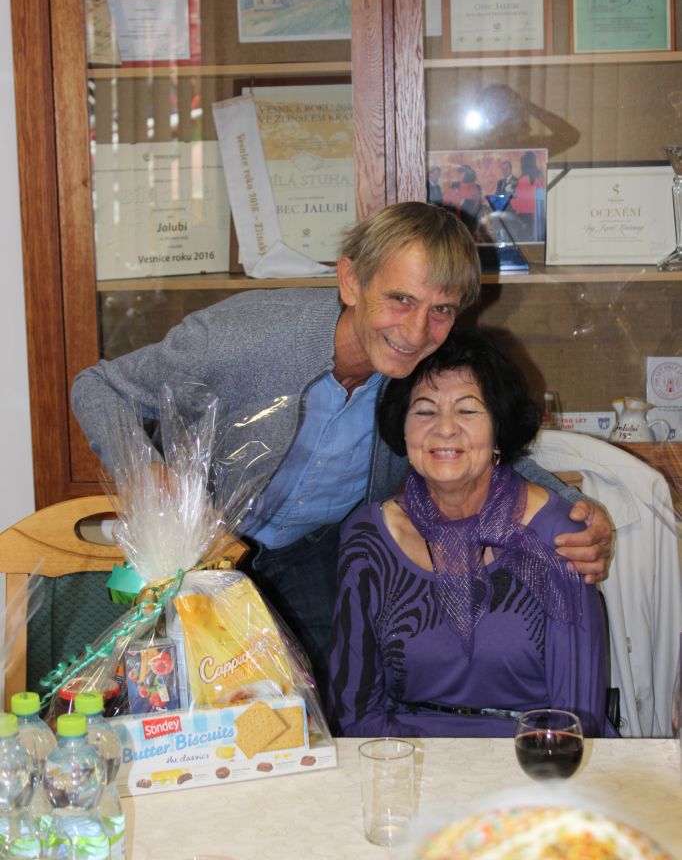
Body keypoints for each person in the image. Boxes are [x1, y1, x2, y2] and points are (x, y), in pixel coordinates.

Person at [71, 203, 611, 688]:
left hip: (317, 556)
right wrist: (141, 472)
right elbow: (98, 388)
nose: (416, 332)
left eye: (441, 310)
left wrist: (575, 512)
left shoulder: (426, 373)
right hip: (200, 558)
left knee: (322, 708)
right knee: (192, 705)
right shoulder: (241, 339)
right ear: (351, 281)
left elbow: (485, 448)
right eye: (400, 299)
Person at [327, 328, 614, 738]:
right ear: (403, 429)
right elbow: (355, 713)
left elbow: (575, 721)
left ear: (498, 430)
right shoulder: (370, 537)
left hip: (530, 755)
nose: (445, 429)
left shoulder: (559, 536)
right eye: (424, 411)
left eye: (467, 410)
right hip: (410, 756)